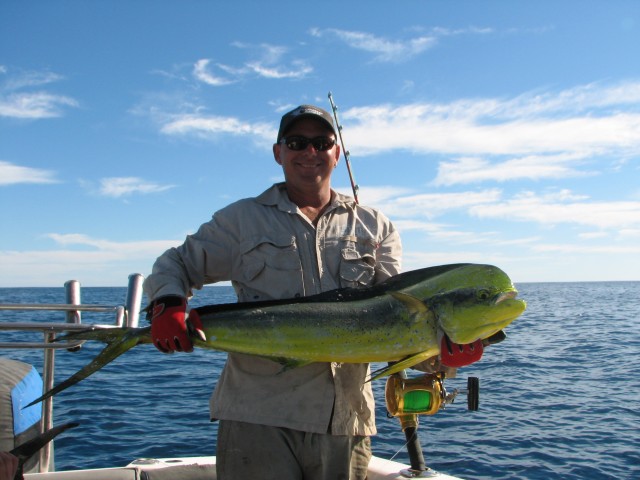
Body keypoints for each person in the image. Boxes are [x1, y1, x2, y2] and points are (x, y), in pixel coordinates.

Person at [143, 104, 402, 480]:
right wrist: (167, 302)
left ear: (337, 151)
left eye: (321, 142)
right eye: (297, 142)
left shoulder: (376, 226)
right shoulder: (241, 220)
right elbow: (175, 264)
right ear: (278, 152)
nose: (309, 152)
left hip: (344, 421)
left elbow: (396, 316)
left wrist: (440, 353)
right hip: (257, 417)